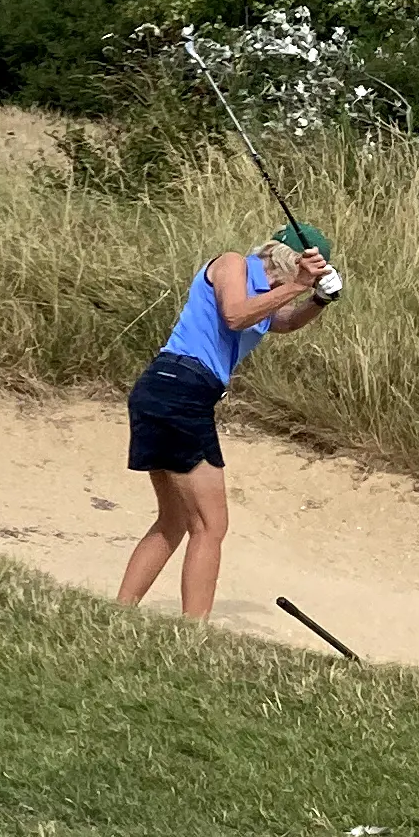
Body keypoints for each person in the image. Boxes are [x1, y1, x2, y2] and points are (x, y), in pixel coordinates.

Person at [117, 230, 338, 620]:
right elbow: (235, 315)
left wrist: (317, 300)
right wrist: (300, 285)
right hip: (182, 388)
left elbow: (280, 321)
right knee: (210, 525)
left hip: (167, 392)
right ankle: (194, 632)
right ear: (289, 260)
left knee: (174, 520)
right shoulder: (233, 263)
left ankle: (119, 612)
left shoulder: (265, 295)